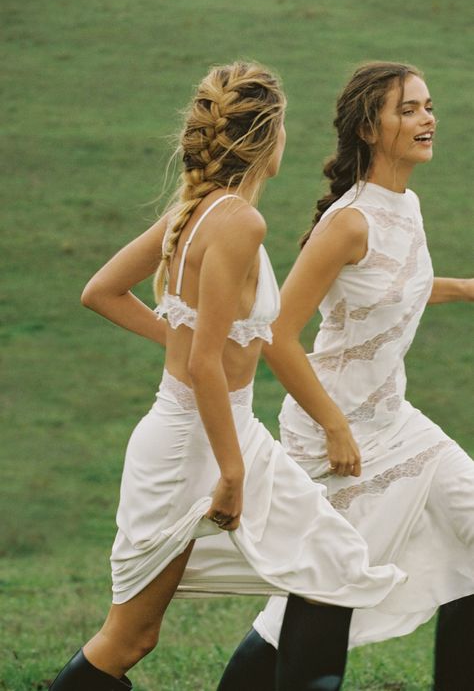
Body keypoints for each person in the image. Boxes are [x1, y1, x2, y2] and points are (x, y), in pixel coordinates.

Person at [47, 61, 405, 691]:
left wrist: (184, 345)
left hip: (221, 435)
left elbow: (101, 292)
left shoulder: (195, 211)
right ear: (268, 138)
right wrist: (232, 473)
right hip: (198, 448)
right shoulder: (239, 223)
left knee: (335, 566)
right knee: (130, 638)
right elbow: (203, 363)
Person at [217, 61, 474, 691]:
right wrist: (335, 427)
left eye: (427, 105)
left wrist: (463, 288)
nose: (426, 119)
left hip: (397, 424)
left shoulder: (405, 204)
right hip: (336, 431)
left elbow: (393, 288)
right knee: (318, 595)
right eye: (407, 109)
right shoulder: (349, 222)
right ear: (368, 127)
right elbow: (277, 333)